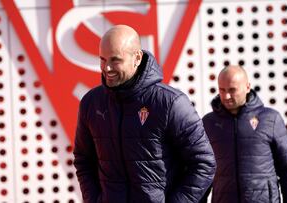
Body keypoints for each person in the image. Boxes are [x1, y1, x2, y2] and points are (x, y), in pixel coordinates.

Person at [73, 24, 216, 203]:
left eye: (115, 60)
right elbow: (83, 160)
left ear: (137, 58)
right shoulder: (91, 103)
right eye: (103, 59)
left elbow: (204, 163)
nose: (107, 68)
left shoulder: (171, 103)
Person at [202, 65, 287, 203]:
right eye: (222, 90)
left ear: (247, 87)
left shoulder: (270, 119)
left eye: (232, 90)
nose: (226, 96)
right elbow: (200, 173)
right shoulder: (208, 123)